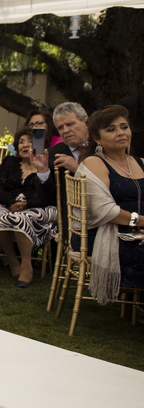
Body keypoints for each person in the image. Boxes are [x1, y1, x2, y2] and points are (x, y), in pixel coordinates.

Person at [74, 105, 144, 303]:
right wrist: (141, 223)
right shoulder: (94, 163)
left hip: (137, 231)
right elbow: (105, 211)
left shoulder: (141, 163)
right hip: (103, 234)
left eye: (124, 127)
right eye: (111, 129)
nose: (120, 132)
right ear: (97, 138)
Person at [0, 127, 56, 287]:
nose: (25, 145)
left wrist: (26, 204)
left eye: (31, 141)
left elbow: (49, 195)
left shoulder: (47, 164)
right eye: (21, 142)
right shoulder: (10, 162)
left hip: (42, 207)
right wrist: (12, 203)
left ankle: (26, 264)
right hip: (11, 204)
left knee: (21, 218)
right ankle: (13, 261)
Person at [48, 101, 90, 216]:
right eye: (60, 127)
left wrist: (78, 169)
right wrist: (42, 171)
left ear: (85, 122)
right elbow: (47, 197)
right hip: (68, 219)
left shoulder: (102, 147)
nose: (65, 130)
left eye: (70, 124)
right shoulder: (52, 154)